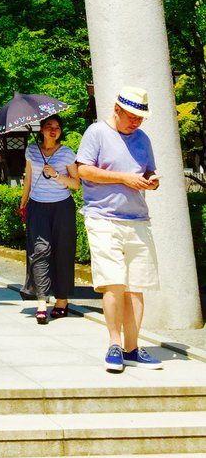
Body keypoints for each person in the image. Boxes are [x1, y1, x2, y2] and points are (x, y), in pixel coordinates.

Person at [75, 86, 162, 373]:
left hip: (137, 219)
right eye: (132, 116)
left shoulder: (143, 139)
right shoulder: (97, 133)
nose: (136, 122)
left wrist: (152, 179)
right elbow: (83, 170)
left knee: (136, 288)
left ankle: (133, 348)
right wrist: (123, 178)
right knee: (113, 283)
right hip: (103, 218)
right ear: (117, 110)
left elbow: (148, 171)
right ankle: (114, 344)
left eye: (140, 117)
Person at [19, 114, 79, 323]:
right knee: (40, 251)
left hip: (62, 206)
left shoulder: (67, 153)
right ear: (41, 130)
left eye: (57, 127)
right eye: (48, 126)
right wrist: (23, 201)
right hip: (37, 206)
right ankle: (42, 301)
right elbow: (28, 177)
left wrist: (56, 175)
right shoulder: (31, 150)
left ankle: (62, 300)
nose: (53, 130)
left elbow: (76, 184)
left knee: (63, 251)